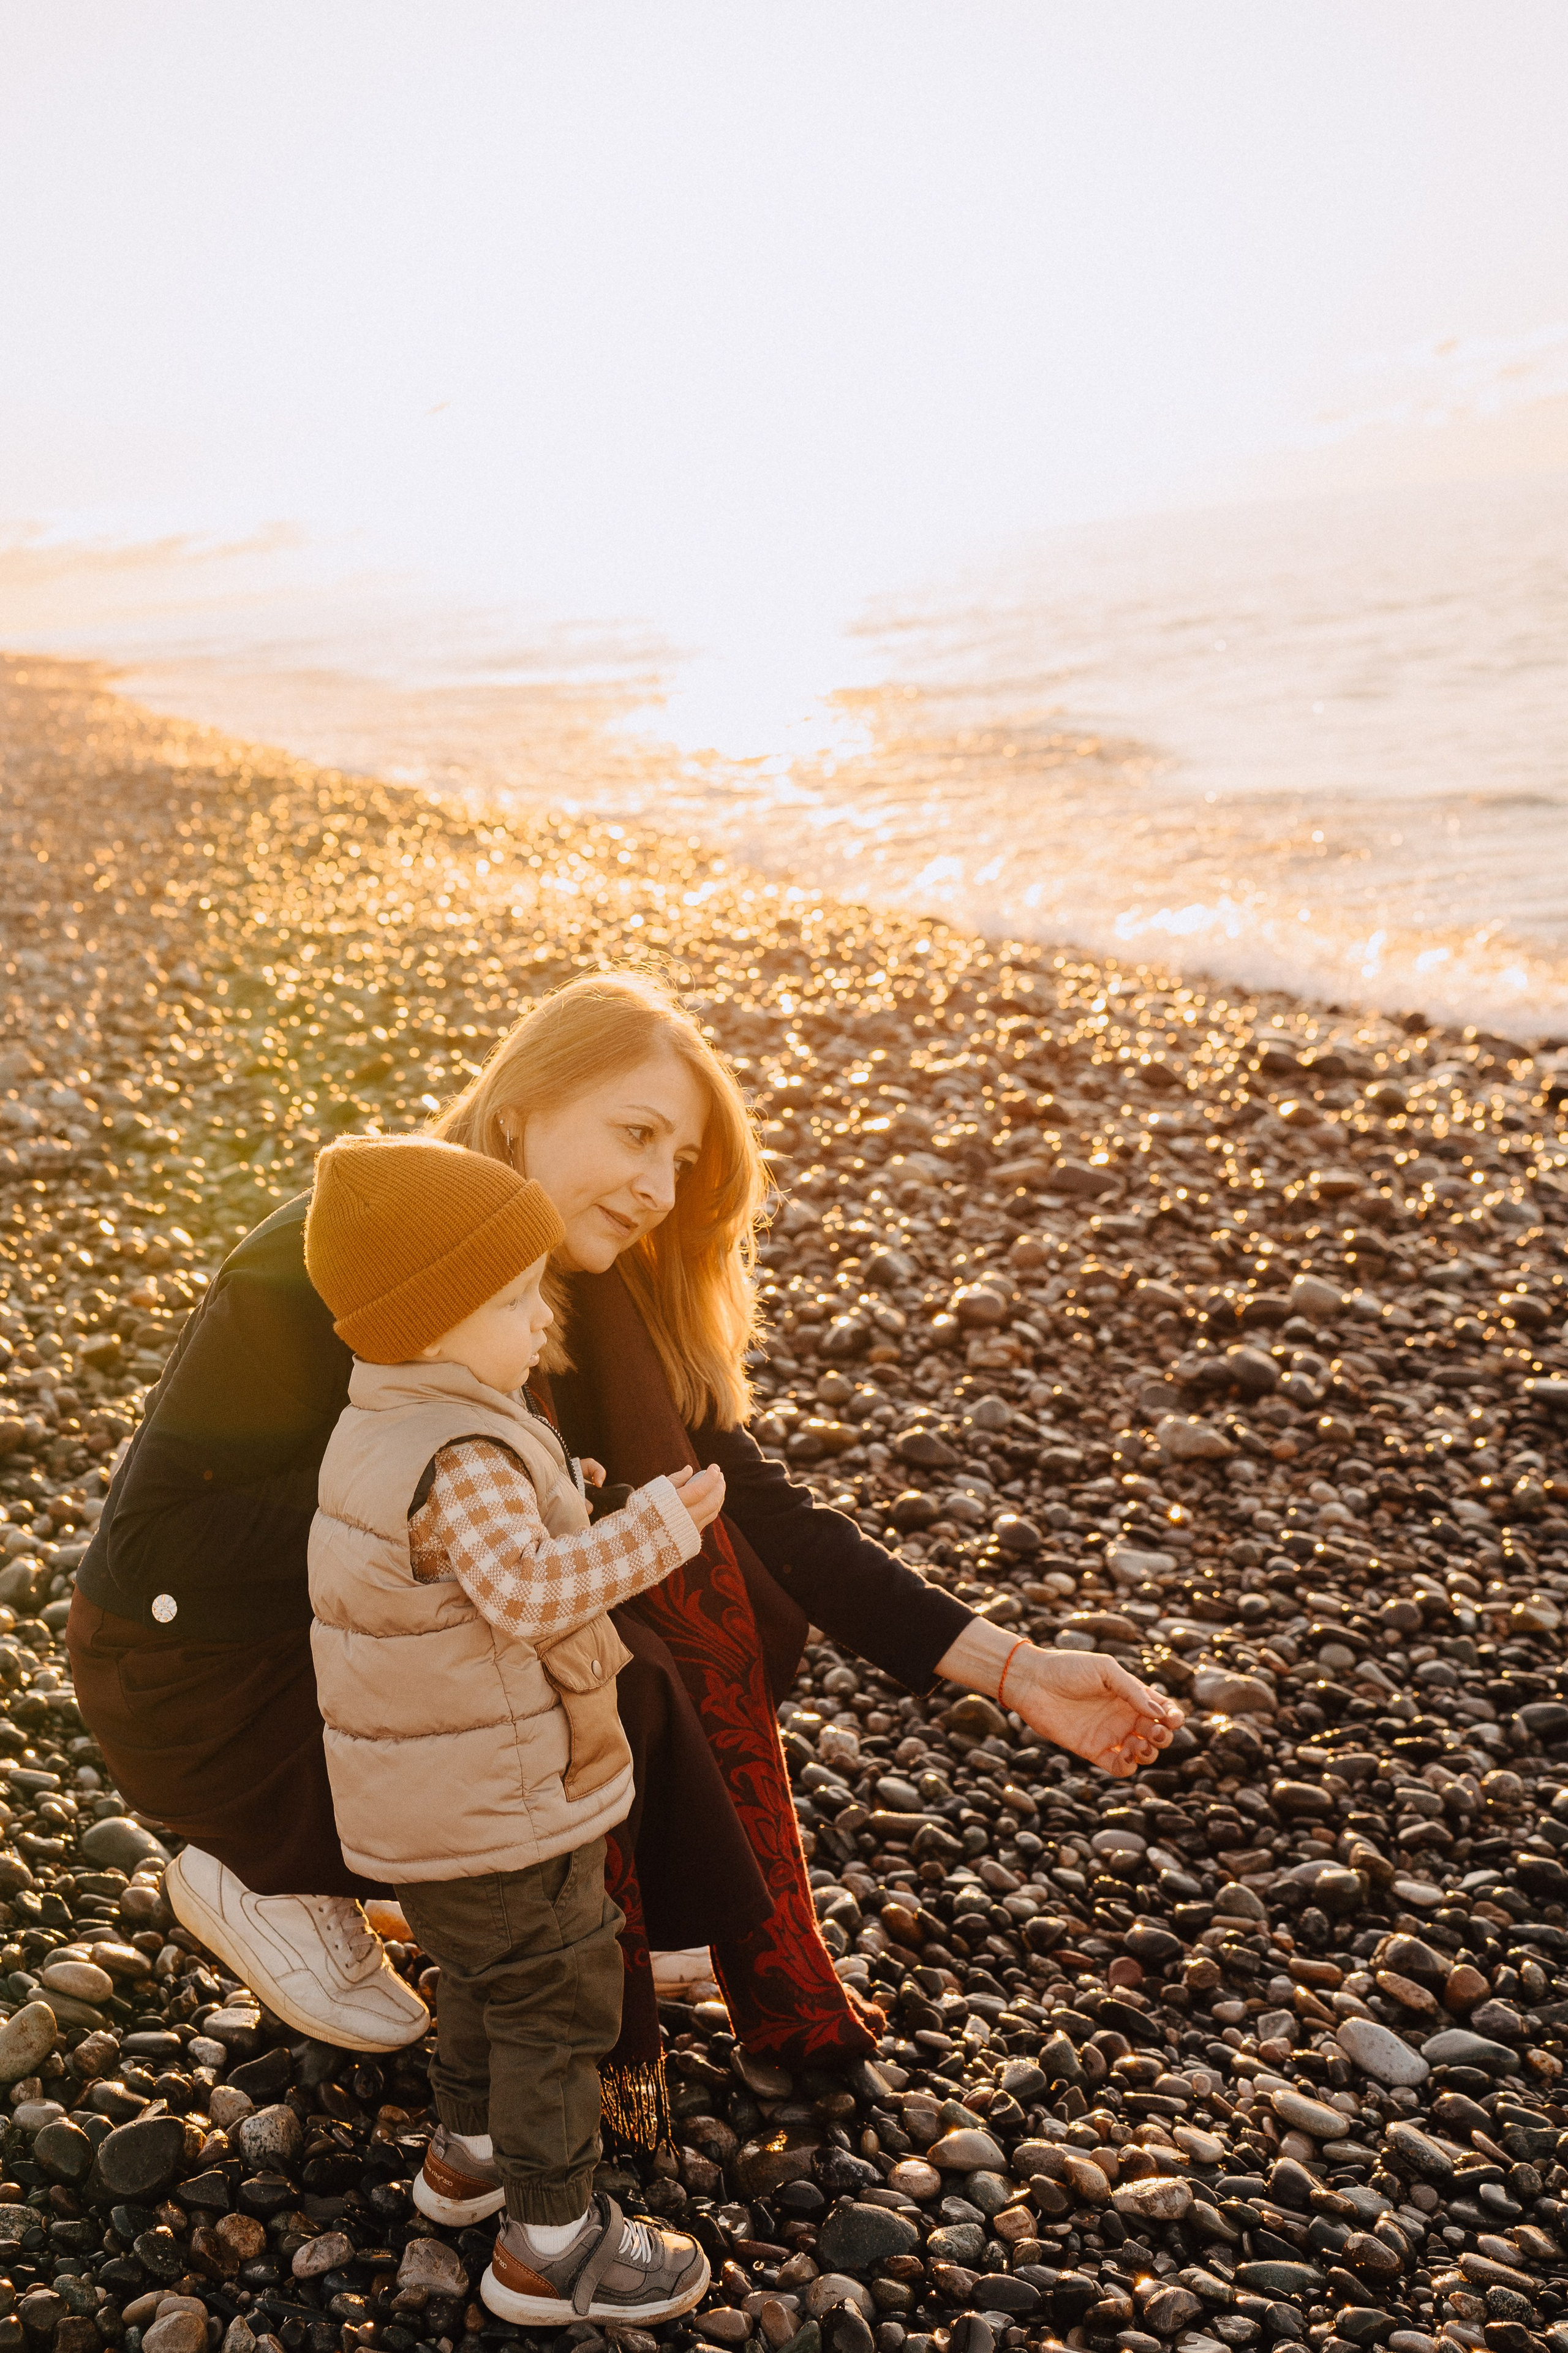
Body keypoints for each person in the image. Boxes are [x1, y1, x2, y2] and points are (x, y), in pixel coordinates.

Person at [70, 970, 1180, 2109]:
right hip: (204, 1690)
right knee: (612, 1646)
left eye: (683, 1161)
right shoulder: (334, 1256)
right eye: (637, 1134)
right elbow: (159, 1547)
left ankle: (538, 1886)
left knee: (719, 1576)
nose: (658, 1187)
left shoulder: (587, 1302)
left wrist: (1016, 1667)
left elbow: (764, 1510)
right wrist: (430, 1500)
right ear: (519, 1112)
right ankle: (270, 1868)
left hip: (377, 1667)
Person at [301, 1131, 714, 2328]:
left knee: (480, 1983)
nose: (541, 1319)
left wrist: (562, 1489)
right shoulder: (466, 1446)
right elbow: (528, 1590)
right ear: (432, 1322)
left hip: (427, 1809)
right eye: (515, 1299)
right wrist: (651, 1529)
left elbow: (456, 1559)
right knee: (553, 1992)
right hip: (504, 1801)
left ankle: (465, 2157)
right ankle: (548, 2240)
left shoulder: (386, 1423)